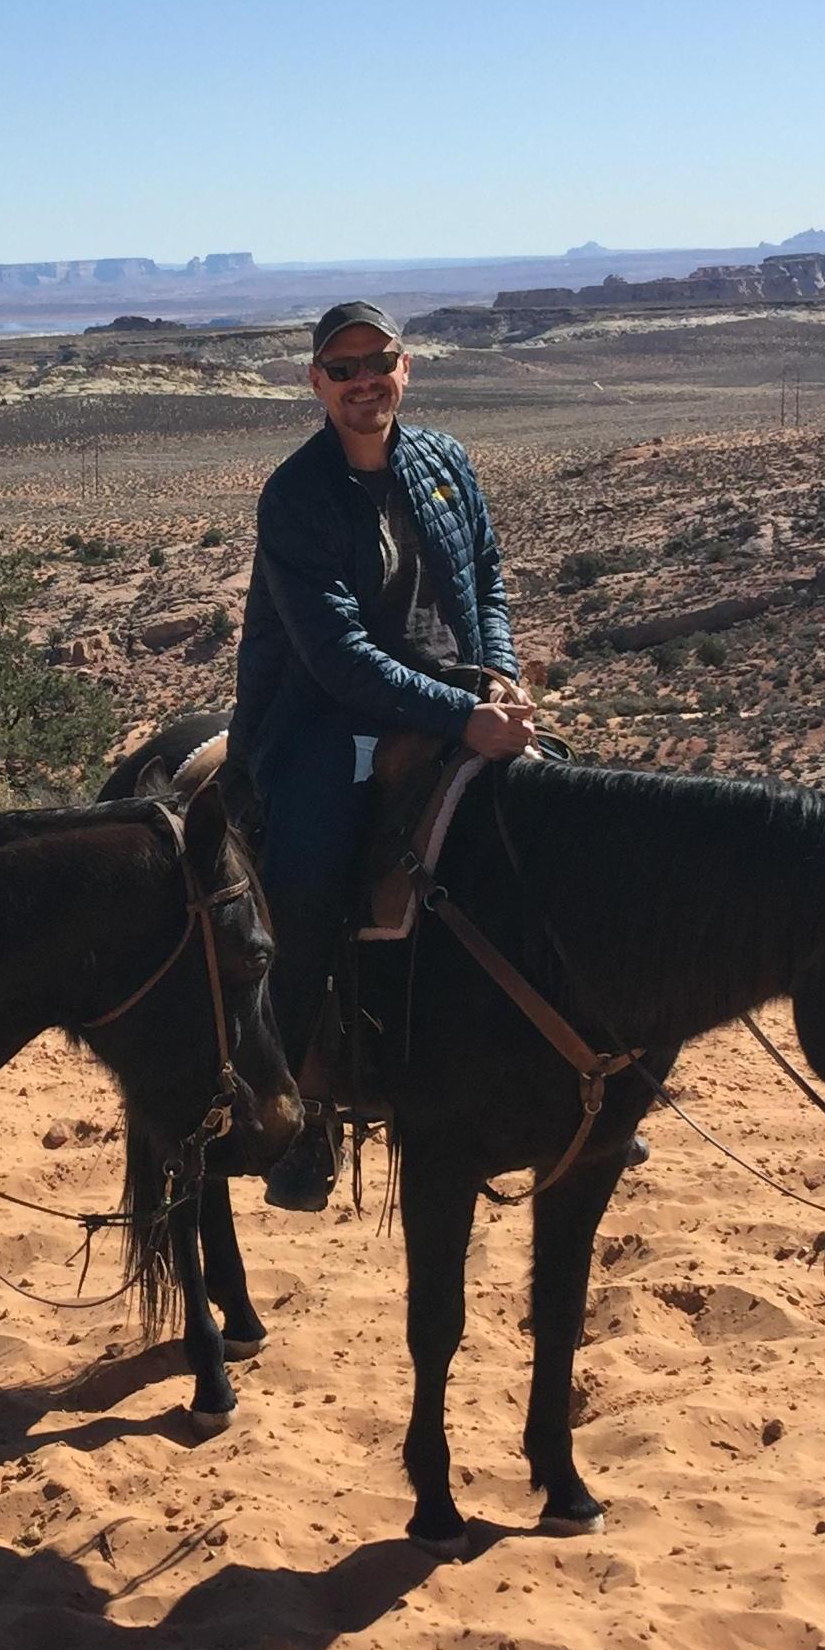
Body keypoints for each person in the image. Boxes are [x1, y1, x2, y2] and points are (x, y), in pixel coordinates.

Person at [228, 300, 534, 1209]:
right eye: (344, 367)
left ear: (407, 368)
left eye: (380, 361)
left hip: (453, 695)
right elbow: (337, 656)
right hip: (327, 719)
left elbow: (486, 577)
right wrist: (460, 715)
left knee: (557, 836)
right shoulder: (296, 494)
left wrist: (501, 679)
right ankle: (287, 1108)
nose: (366, 380)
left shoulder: (444, 463)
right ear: (317, 384)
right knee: (313, 877)